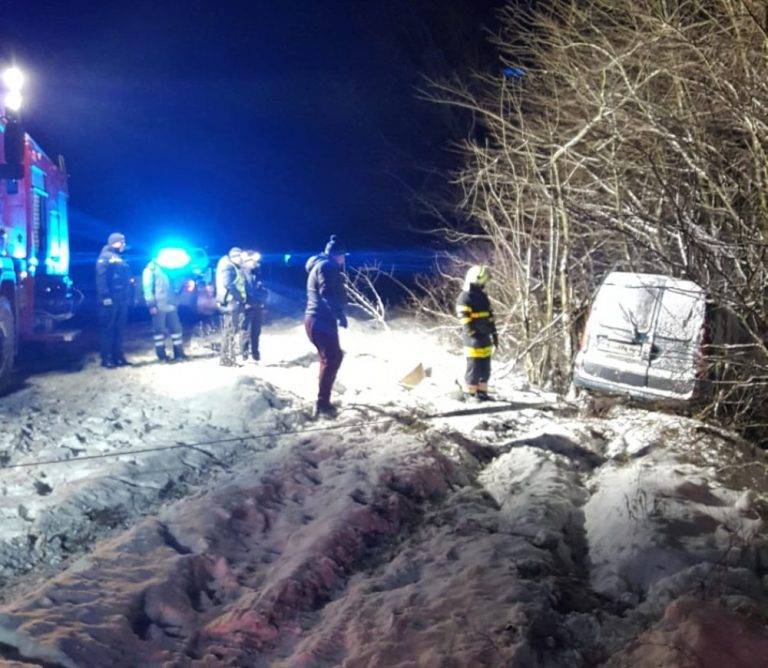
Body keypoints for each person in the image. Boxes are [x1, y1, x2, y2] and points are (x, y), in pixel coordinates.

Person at [305, 234, 348, 418]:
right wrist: (339, 314)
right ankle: (322, 403)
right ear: (336, 255)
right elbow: (327, 293)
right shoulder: (326, 266)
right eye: (343, 255)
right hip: (320, 320)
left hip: (319, 320)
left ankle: (323, 399)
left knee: (333, 357)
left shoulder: (322, 265)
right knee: (332, 358)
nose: (344, 259)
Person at [456, 264, 498, 401]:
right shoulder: (465, 297)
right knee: (473, 367)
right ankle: (470, 394)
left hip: (485, 338)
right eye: (483, 281)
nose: (484, 284)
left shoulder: (483, 297)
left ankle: (482, 393)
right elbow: (464, 318)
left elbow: (490, 317)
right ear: (477, 279)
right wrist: (473, 333)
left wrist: (494, 334)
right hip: (473, 340)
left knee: (485, 368)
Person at [95, 232, 132, 369]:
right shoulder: (105, 257)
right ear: (115, 243)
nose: (124, 244)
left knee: (119, 328)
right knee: (108, 329)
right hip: (110, 299)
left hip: (121, 298)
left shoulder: (118, 257)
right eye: (122, 242)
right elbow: (101, 278)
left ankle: (118, 357)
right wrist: (105, 297)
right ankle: (107, 359)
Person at [142, 257, 185, 363]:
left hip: (170, 304)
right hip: (158, 305)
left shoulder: (167, 269)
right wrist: (151, 305)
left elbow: (174, 285)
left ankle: (179, 354)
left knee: (176, 330)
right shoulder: (149, 270)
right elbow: (147, 289)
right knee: (159, 332)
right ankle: (162, 357)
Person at [215, 247, 247, 366]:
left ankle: (228, 358)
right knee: (229, 331)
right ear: (234, 257)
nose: (241, 259)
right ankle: (226, 359)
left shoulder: (233, 266)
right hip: (231, 302)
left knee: (231, 331)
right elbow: (228, 284)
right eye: (239, 257)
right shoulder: (229, 267)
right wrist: (239, 297)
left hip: (232, 302)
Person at [242, 250, 267, 363]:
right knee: (246, 331)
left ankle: (255, 354)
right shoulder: (241, 274)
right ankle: (245, 355)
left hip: (257, 306)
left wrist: (262, 300)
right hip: (247, 307)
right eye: (254, 261)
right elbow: (241, 290)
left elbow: (263, 289)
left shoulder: (256, 273)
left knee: (256, 331)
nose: (255, 263)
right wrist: (246, 302)